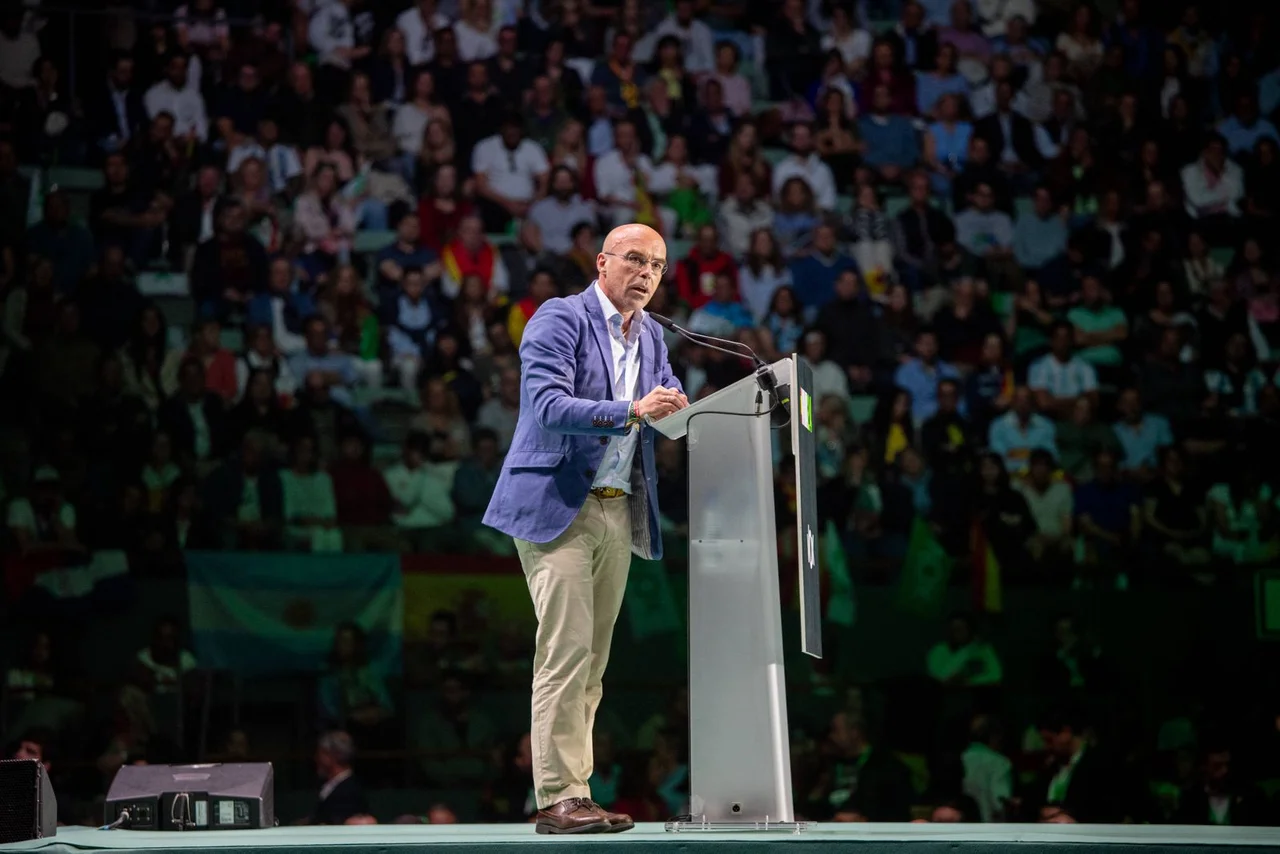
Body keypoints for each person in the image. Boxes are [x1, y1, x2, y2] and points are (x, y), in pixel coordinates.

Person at [483, 223, 689, 834]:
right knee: (565, 654)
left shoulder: (653, 336)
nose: (646, 274)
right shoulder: (559, 318)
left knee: (593, 663)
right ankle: (557, 798)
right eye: (634, 260)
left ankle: (577, 791)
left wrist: (687, 409)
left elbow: (668, 396)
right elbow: (547, 405)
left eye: (657, 266)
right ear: (602, 263)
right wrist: (631, 410)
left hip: (618, 509)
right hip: (559, 506)